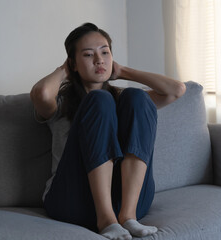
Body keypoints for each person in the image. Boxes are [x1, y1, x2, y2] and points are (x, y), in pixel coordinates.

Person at [30, 23, 186, 240]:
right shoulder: (61, 104)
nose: (99, 60)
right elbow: (41, 93)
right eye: (88, 54)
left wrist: (123, 71)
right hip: (71, 201)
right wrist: (64, 69)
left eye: (105, 52)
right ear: (73, 63)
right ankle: (106, 220)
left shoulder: (124, 102)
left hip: (125, 202)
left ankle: (128, 218)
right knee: (99, 100)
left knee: (138, 97)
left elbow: (176, 90)